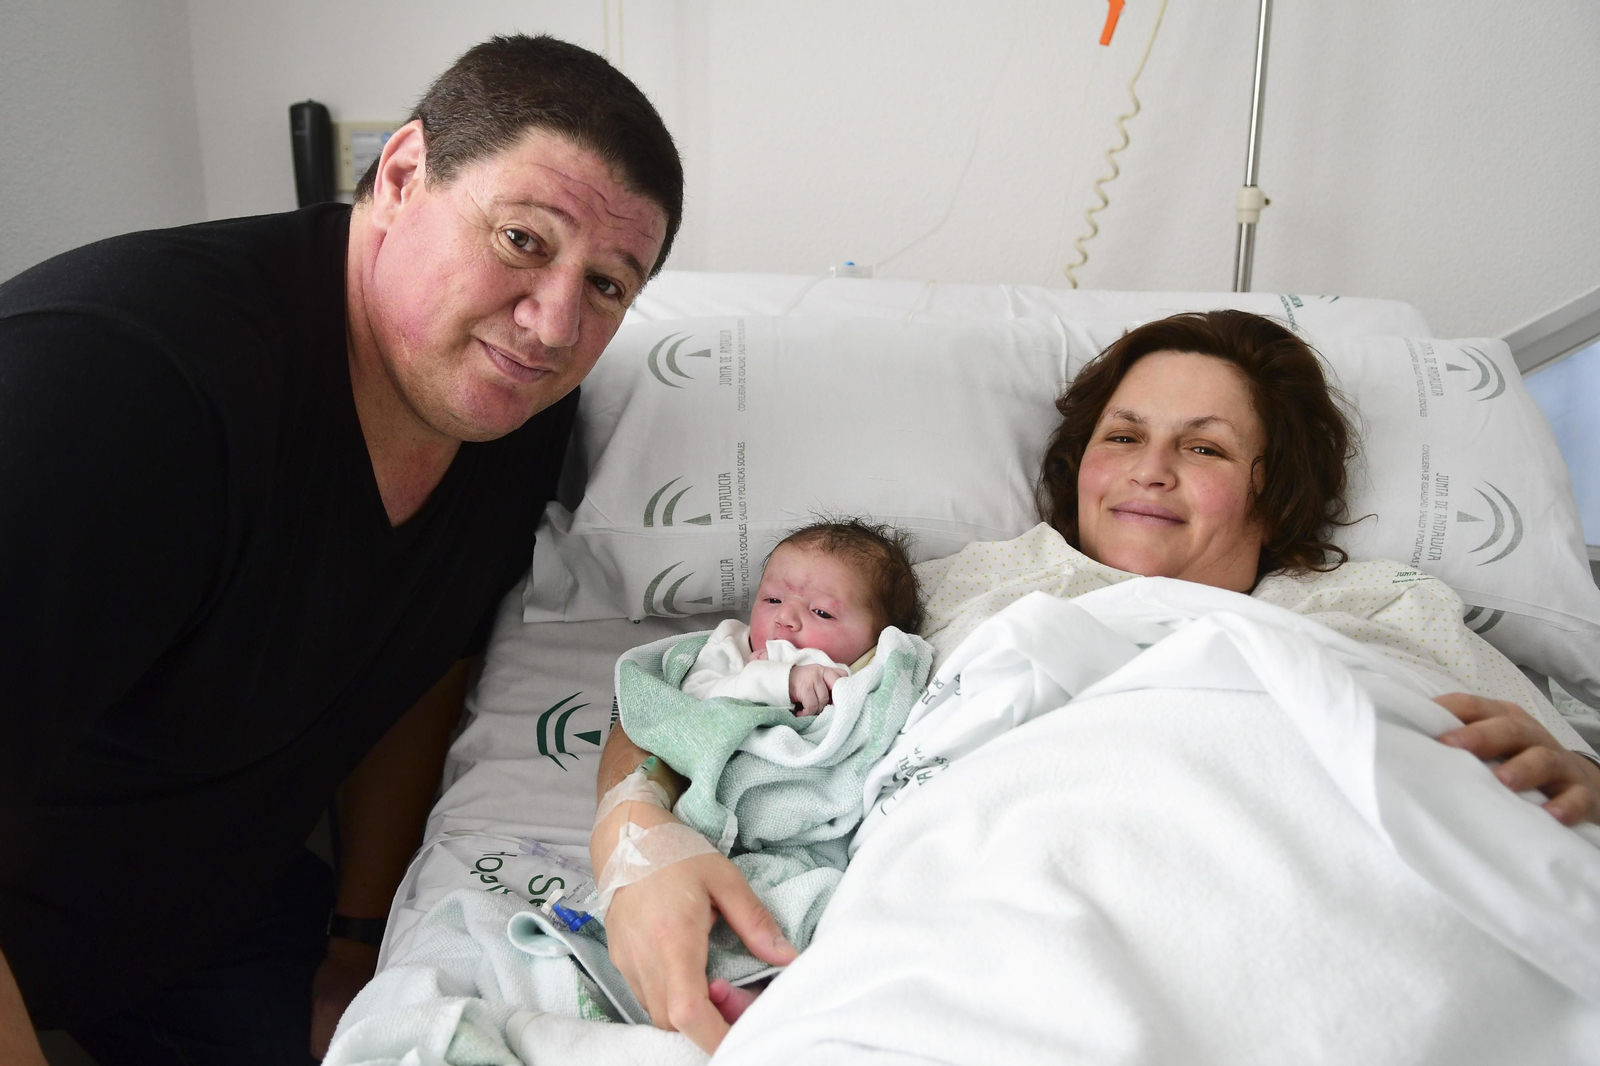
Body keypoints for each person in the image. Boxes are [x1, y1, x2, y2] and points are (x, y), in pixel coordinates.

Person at [589, 309, 1600, 1055]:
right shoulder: (972, 588)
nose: (1149, 469)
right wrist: (635, 833)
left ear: (1270, 486)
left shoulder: (1391, 611)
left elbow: (1563, 780)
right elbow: (698, 691)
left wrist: (1579, 774)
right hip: (1023, 901)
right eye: (1122, 436)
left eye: (1201, 446)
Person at [0, 34, 680, 1066]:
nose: (550, 324)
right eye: (522, 241)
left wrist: (360, 940)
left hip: (207, 914)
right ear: (403, 174)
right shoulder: (117, 388)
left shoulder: (507, 405)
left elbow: (418, 661)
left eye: (608, 287)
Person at [681, 520, 921, 716]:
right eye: (773, 599)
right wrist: (783, 681)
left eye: (822, 612)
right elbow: (689, 701)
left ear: (877, 638)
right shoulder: (731, 645)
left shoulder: (877, 671)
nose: (784, 616)